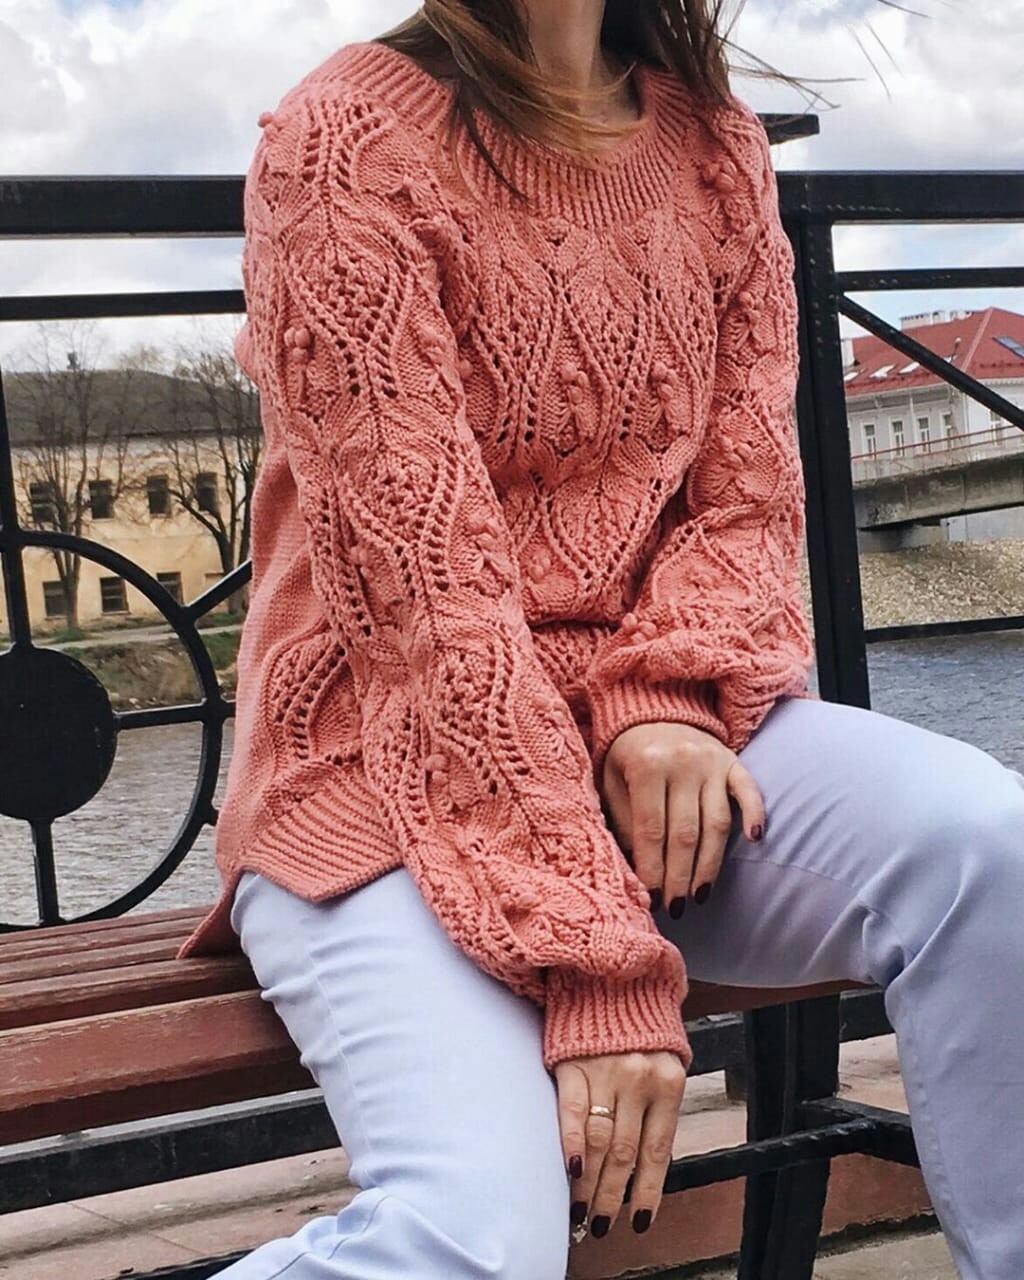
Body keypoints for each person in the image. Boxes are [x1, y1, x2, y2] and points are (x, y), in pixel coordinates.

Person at [178, 3, 1024, 1277]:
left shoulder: (712, 142)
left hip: (657, 752)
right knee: (475, 1236)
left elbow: (747, 498)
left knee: (983, 849)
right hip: (382, 766)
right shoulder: (342, 141)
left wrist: (667, 694)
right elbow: (428, 614)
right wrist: (601, 965)